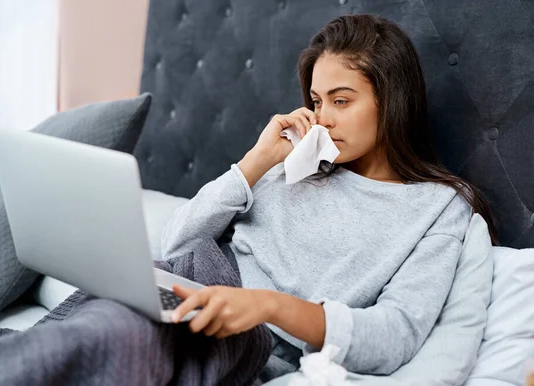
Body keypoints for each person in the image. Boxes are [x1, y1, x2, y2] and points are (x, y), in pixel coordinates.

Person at [161, 14, 497, 380]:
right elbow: (175, 245)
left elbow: (395, 335)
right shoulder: (297, 163)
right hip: (184, 283)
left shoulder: (437, 207)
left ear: (392, 102)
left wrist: (269, 306)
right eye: (317, 102)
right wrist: (256, 161)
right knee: (99, 317)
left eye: (341, 101)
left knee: (110, 335)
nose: (322, 119)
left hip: (242, 335)